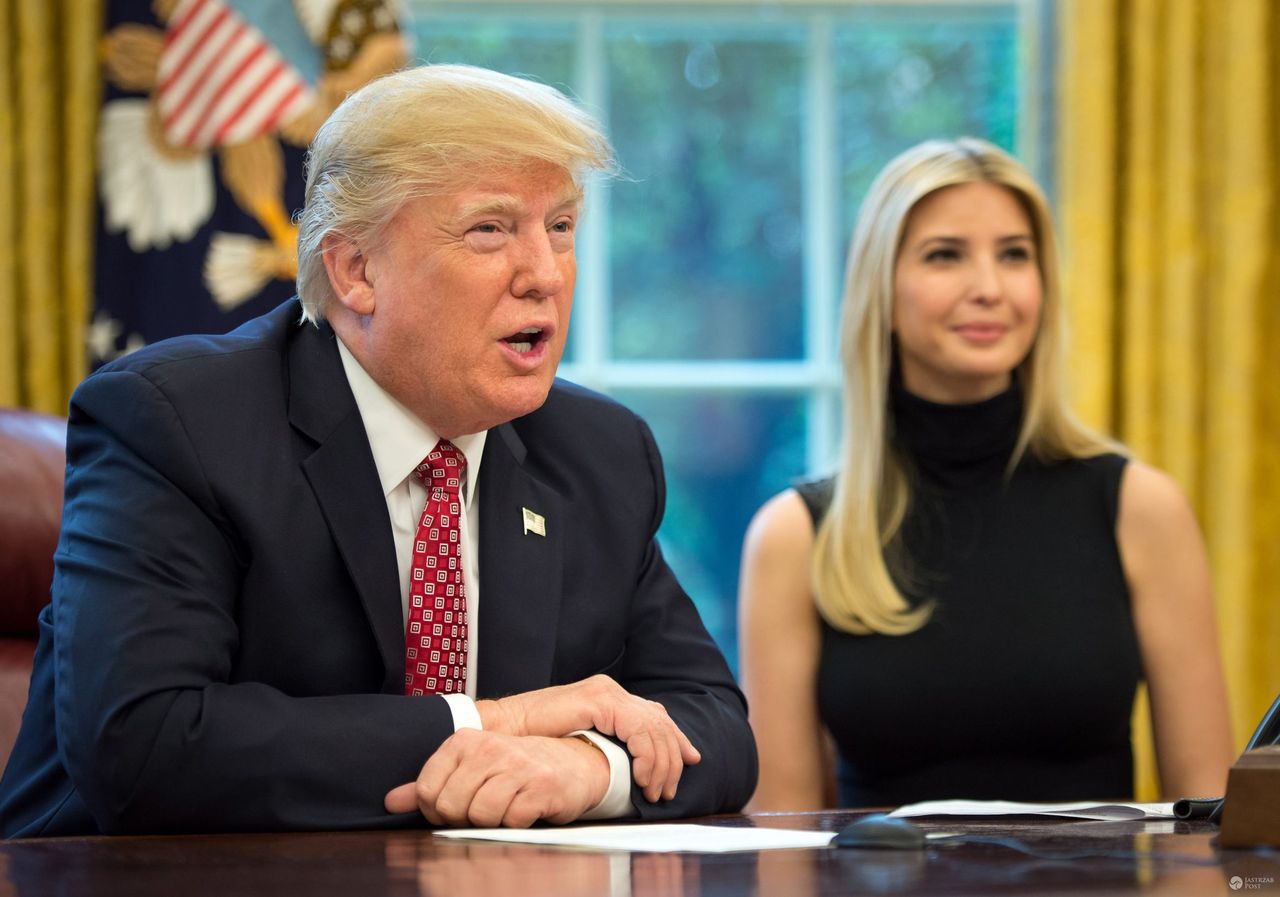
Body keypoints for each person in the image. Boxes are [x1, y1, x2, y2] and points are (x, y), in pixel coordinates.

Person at [0, 64, 756, 837]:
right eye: (490, 230)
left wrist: (589, 766)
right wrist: (492, 724)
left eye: (559, 227)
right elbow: (147, 745)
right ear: (356, 270)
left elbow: (716, 726)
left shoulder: (599, 451)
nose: (545, 275)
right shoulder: (178, 422)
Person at [738, 137, 1234, 810]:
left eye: (1014, 255)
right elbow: (783, 839)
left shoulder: (1140, 509)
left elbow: (1211, 818)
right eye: (946, 255)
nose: (990, 288)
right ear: (880, 288)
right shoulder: (795, 536)